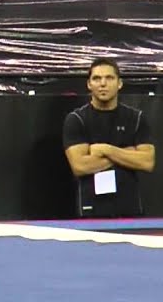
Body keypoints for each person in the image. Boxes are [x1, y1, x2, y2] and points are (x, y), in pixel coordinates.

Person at [63, 58, 155, 218]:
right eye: (97, 78)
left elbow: (147, 162)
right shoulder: (77, 119)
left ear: (119, 83)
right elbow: (80, 166)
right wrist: (127, 154)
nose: (103, 83)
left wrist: (107, 150)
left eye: (109, 78)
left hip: (130, 208)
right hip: (91, 209)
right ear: (89, 84)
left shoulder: (136, 118)